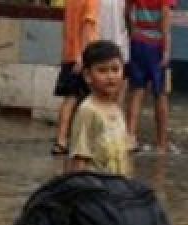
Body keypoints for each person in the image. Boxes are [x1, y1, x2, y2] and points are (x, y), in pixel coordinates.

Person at [68, 41, 133, 176]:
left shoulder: (117, 109)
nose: (110, 76)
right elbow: (80, 157)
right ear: (87, 76)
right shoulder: (88, 110)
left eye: (115, 69)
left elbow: (125, 156)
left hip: (118, 188)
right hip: (96, 189)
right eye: (102, 70)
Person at [51, 0, 98, 156]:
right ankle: (67, 140)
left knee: (70, 99)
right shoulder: (91, 1)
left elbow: (67, 27)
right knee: (80, 100)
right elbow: (87, 27)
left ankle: (63, 139)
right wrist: (83, 56)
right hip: (83, 56)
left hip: (69, 54)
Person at [126, 0, 173, 151]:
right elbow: (165, 22)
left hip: (137, 43)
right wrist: (166, 51)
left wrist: (132, 30)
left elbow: (127, 12)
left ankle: (131, 137)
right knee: (160, 94)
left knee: (137, 91)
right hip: (157, 45)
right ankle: (161, 142)